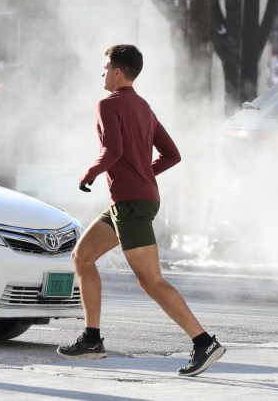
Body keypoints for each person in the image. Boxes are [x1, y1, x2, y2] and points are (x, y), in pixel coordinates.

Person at [57, 44, 225, 377]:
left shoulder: (108, 104)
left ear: (117, 71)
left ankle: (203, 341)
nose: (102, 73)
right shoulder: (144, 107)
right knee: (82, 256)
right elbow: (172, 154)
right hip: (132, 201)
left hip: (131, 203)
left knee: (151, 281)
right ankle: (92, 339)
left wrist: (90, 172)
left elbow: (113, 150)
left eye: (105, 67)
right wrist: (144, 173)